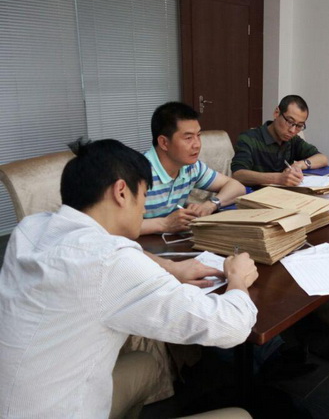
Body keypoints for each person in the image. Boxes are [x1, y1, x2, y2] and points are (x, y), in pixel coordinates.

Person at [0, 138, 259, 417]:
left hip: (17, 402)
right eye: (144, 196)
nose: (143, 209)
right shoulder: (110, 263)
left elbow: (107, 253)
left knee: (144, 366)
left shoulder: (30, 228)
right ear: (121, 192)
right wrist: (237, 277)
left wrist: (170, 267)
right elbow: (232, 326)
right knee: (241, 415)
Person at [141, 101, 246, 234]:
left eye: (198, 136)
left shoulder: (191, 167)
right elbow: (116, 226)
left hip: (171, 241)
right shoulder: (138, 172)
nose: (197, 145)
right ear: (164, 142)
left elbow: (237, 187)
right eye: (188, 138)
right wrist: (164, 224)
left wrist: (211, 204)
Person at [231, 95, 329, 187]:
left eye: (299, 126)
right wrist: (278, 178)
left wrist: (298, 165)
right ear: (277, 113)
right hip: (256, 195)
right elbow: (238, 174)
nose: (292, 130)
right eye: (290, 122)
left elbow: (322, 158)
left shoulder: (292, 140)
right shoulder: (249, 138)